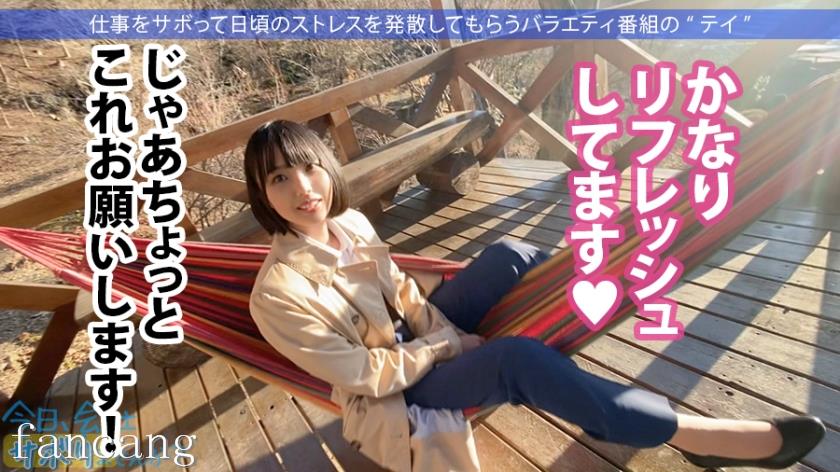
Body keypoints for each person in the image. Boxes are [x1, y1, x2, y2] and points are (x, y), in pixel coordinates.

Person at [245, 119, 825, 472]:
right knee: (515, 360)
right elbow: (364, 376)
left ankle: (579, 312)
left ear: (328, 169)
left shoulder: (350, 225)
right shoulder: (277, 294)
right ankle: (694, 436)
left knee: (509, 253)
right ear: (262, 193)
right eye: (279, 178)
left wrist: (444, 331)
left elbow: (401, 291)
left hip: (422, 337)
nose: (303, 189)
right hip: (394, 391)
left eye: (310, 169)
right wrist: (449, 348)